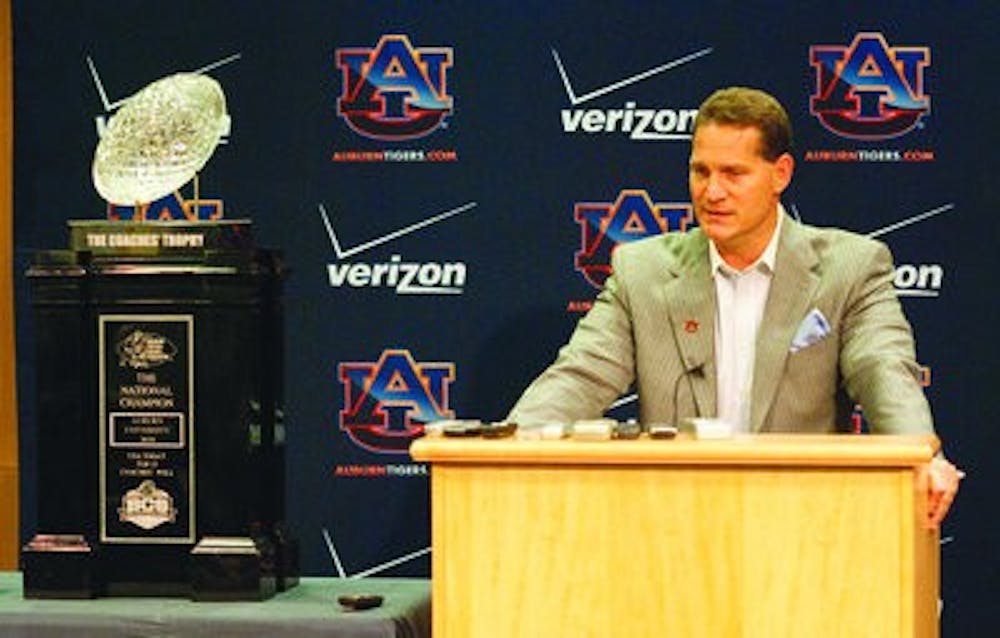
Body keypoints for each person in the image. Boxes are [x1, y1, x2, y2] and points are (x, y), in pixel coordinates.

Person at [507, 86, 961, 527]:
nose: (712, 192)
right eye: (701, 172)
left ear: (780, 174)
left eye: (733, 173)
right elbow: (581, 374)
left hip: (801, 525)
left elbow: (882, 369)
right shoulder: (641, 272)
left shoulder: (851, 268)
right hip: (672, 524)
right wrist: (509, 446)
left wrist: (924, 454)